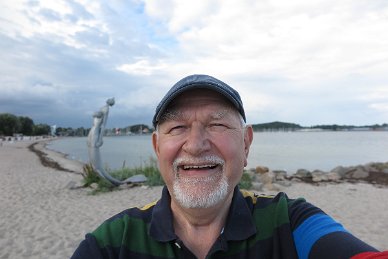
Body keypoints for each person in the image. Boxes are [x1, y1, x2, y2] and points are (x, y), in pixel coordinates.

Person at [72, 75, 387, 259]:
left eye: (218, 124)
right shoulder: (112, 242)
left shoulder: (290, 224)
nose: (196, 145)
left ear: (246, 144)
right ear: (157, 147)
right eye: (177, 127)